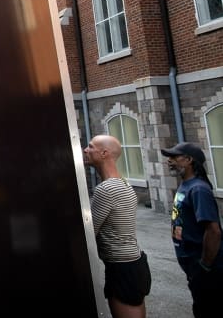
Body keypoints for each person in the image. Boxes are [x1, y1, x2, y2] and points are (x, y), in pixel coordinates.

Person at [84, 134, 151, 318]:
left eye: (90, 147)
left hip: (123, 268)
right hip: (132, 264)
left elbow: (89, 233)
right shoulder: (123, 183)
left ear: (104, 153)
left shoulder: (106, 189)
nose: (85, 150)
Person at [161, 141, 223, 318]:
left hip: (207, 269)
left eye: (174, 157)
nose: (169, 161)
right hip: (192, 265)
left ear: (188, 160)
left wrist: (204, 266)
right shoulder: (185, 185)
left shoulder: (198, 189)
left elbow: (213, 231)